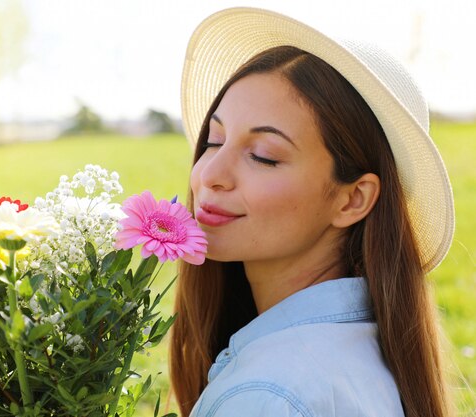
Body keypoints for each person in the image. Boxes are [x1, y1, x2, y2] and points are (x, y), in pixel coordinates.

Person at [169, 7, 455, 417]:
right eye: (214, 141)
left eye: (264, 156)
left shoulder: (266, 396)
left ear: (352, 199)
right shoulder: (366, 352)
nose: (209, 174)